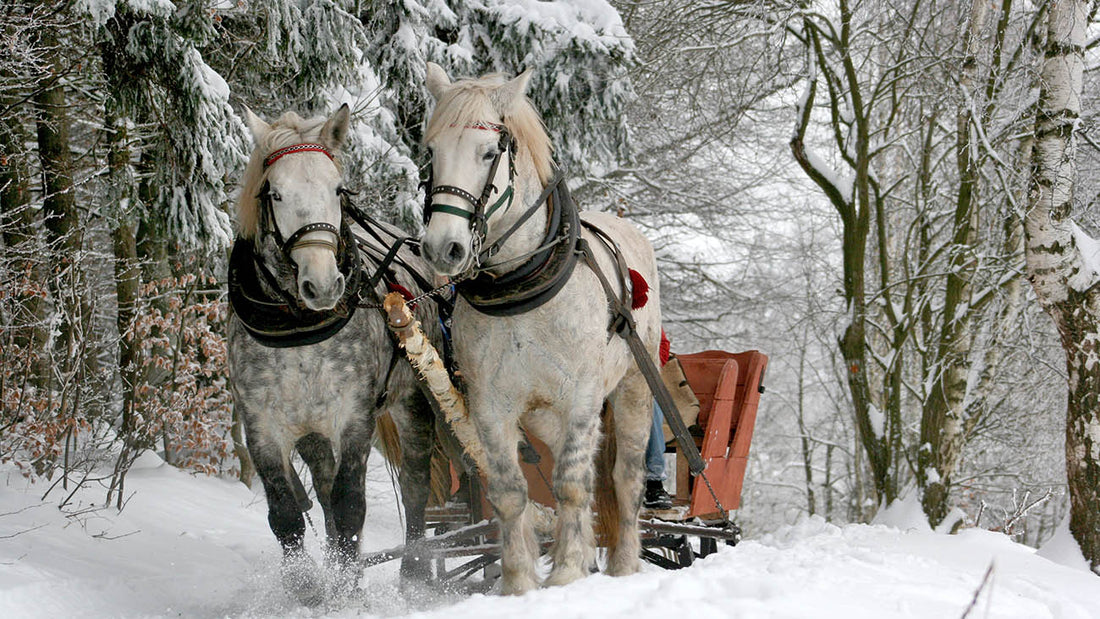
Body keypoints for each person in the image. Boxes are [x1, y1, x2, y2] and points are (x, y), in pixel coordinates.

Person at [643, 330, 674, 510]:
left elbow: (662, 345)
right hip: (597, 377)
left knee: (650, 404)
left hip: (634, 376)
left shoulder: (646, 308)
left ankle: (654, 481)